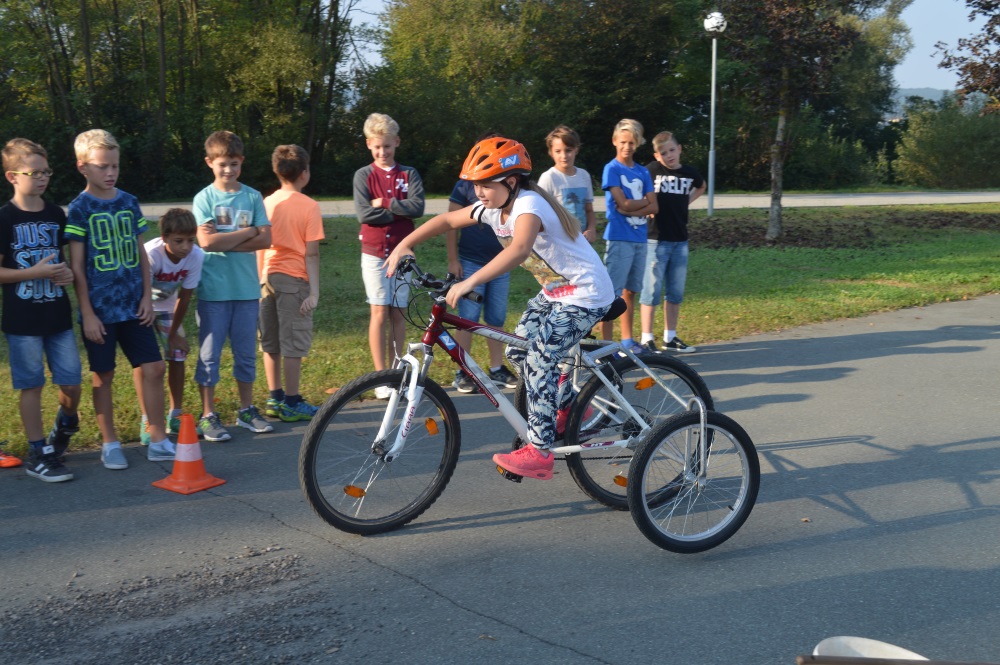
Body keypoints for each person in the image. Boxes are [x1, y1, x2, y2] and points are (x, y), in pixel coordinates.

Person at [386, 137, 615, 481]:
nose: (478, 192)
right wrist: (404, 244)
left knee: (539, 359)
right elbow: (447, 221)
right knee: (517, 350)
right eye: (474, 185)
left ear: (510, 182)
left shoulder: (529, 205)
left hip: (586, 294)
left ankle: (540, 452)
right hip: (556, 293)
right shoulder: (493, 207)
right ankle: (568, 408)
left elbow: (519, 249)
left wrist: (470, 281)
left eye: (485, 185)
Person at [66, 129, 174, 469]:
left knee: (154, 367)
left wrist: (147, 297)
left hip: (134, 305)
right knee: (104, 375)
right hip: (99, 311)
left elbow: (141, 254)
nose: (110, 172)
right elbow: (77, 266)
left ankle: (158, 437)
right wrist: (87, 313)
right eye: (102, 166)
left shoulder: (128, 201)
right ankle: (109, 442)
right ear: (83, 167)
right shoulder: (79, 209)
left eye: (114, 165)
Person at [0, 138, 81, 481]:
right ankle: (38, 452)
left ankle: (64, 426)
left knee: (72, 383)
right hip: (23, 321)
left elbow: (61, 262)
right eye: (35, 172)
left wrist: (66, 274)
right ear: (12, 176)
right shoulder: (5, 218)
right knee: (31, 386)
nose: (43, 178)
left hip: (57, 316)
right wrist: (34, 273)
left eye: (47, 171)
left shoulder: (55, 214)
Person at [192, 130, 274, 441]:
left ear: (242, 162)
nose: (228, 170)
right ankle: (208, 414)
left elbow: (266, 239)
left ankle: (246, 410)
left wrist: (225, 239)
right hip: (213, 291)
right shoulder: (204, 198)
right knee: (209, 356)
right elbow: (206, 243)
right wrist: (249, 232)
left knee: (245, 354)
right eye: (222, 164)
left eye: (234, 164)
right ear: (209, 162)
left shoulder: (252, 196)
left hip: (246, 290)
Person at [353, 113, 425, 398]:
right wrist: (400, 210)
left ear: (396, 142)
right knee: (379, 311)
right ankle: (379, 378)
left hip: (403, 252)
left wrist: (384, 203)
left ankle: (396, 375)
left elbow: (418, 208)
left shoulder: (409, 174)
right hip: (374, 253)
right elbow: (364, 214)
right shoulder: (364, 175)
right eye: (377, 147)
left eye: (387, 146)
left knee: (398, 312)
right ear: (369, 145)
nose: (382, 152)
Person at [259, 144, 324, 422]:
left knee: (270, 341)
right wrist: (314, 292)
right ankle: (292, 401)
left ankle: (274, 398)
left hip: (267, 278)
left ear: (277, 171)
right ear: (304, 173)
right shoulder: (309, 206)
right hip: (294, 281)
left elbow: (261, 245)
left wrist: (260, 278)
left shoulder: (267, 202)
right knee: (293, 344)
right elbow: (312, 253)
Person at [134, 208, 205, 444]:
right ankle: (147, 419)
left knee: (178, 354)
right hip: (141, 305)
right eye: (178, 241)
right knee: (144, 361)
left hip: (167, 307)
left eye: (190, 240)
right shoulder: (151, 254)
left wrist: (174, 333)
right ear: (164, 237)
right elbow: (141, 291)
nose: (186, 247)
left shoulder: (196, 256)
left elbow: (184, 297)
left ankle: (175, 414)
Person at [445, 176, 518, 394]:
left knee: (496, 318)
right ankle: (463, 371)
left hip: (499, 264)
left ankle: (496, 369)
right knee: (467, 319)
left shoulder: (502, 186)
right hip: (470, 262)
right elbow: (450, 224)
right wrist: (453, 260)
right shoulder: (464, 186)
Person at [639, 131, 705, 354]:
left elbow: (701, 185)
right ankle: (647, 338)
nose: (669, 155)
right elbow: (637, 185)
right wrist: (645, 205)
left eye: (672, 150)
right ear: (656, 156)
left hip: (680, 241)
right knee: (651, 291)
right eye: (663, 153)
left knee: (675, 292)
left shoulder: (689, 173)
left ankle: (670, 337)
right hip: (655, 240)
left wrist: (688, 200)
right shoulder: (651, 170)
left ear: (680, 149)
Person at [600, 119, 658, 351]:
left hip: (640, 239)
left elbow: (655, 206)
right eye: (623, 142)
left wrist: (631, 208)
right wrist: (642, 203)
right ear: (615, 141)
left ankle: (627, 342)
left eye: (631, 142)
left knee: (630, 292)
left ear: (638, 143)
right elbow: (621, 202)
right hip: (619, 238)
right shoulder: (612, 169)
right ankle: (606, 346)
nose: (627, 146)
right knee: (611, 295)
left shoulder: (643, 171)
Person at [536, 125, 597, 243]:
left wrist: (591, 229)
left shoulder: (584, 175)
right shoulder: (548, 178)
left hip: (583, 241)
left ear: (576, 149)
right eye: (558, 151)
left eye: (568, 150)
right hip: (559, 242)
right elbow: (540, 214)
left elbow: (589, 210)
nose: (563, 156)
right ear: (551, 152)